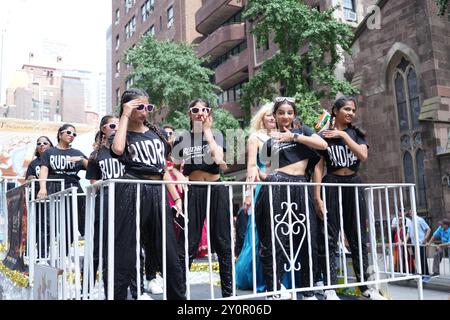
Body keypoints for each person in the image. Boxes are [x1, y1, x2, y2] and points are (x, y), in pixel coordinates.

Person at [110, 88, 185, 300]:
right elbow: (117, 150)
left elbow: (163, 169)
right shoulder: (124, 133)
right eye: (139, 107)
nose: (145, 111)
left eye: (148, 107)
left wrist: (177, 198)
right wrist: (124, 115)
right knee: (127, 249)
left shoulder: (156, 133)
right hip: (132, 189)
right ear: (128, 107)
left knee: (169, 250)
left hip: (157, 192)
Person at [313, 96, 386, 300]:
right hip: (331, 183)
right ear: (335, 111)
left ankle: (366, 288)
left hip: (353, 184)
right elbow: (318, 168)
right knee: (329, 237)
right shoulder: (323, 135)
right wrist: (317, 197)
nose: (351, 113)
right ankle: (330, 288)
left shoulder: (356, 133)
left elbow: (362, 155)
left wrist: (343, 136)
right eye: (346, 109)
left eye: (353, 110)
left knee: (357, 237)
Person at [256, 97, 327, 300]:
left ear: (293, 115)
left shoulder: (302, 131)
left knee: (307, 238)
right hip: (276, 185)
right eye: (281, 113)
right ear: (275, 116)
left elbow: (322, 145)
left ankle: (308, 290)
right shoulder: (270, 142)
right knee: (275, 238)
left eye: (289, 113)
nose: (285, 116)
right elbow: (268, 171)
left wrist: (294, 138)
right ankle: (274, 289)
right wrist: (255, 174)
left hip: (300, 185)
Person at [172, 98, 232, 298]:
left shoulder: (216, 135)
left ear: (209, 113)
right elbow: (172, 165)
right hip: (194, 190)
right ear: (189, 113)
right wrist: (180, 175)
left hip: (216, 189)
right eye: (195, 109)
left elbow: (221, 163)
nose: (200, 112)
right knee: (188, 243)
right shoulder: (182, 138)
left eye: (204, 109)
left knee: (223, 243)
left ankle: (228, 295)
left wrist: (207, 131)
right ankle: (180, 294)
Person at [236, 102, 276, 293]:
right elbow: (251, 167)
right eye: (268, 115)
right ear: (262, 117)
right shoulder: (255, 137)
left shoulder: (283, 136)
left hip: (282, 185)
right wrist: (248, 194)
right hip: (262, 186)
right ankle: (255, 276)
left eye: (274, 115)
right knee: (259, 232)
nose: (272, 118)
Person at [85, 115, 123, 298]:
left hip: (127, 200)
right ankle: (87, 290)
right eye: (113, 125)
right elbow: (93, 182)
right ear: (103, 129)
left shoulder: (127, 149)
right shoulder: (96, 155)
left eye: (119, 124)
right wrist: (107, 181)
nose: (116, 128)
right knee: (99, 247)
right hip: (105, 200)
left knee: (126, 247)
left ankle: (125, 289)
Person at [37, 124, 88, 238]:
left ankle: (65, 251)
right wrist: (43, 187)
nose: (71, 135)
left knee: (76, 219)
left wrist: (81, 159)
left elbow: (92, 169)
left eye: (74, 134)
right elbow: (44, 170)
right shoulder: (49, 152)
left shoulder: (77, 152)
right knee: (51, 221)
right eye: (68, 132)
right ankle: (47, 252)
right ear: (60, 134)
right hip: (54, 186)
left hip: (73, 186)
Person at [25, 136, 54, 259]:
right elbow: (27, 180)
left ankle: (46, 256)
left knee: (50, 227)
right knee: (37, 226)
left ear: (50, 145)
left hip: (53, 197)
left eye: (45, 143)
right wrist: (30, 179)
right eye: (39, 143)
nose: (41, 145)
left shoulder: (54, 159)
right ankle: (33, 256)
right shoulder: (34, 163)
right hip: (37, 199)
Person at [404, 209, 431, 275]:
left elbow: (428, 229)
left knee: (422, 259)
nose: (410, 213)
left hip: (420, 243)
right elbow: (408, 233)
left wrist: (424, 239)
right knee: (417, 259)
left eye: (411, 212)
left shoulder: (420, 220)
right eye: (410, 212)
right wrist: (404, 241)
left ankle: (426, 274)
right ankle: (420, 273)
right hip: (414, 244)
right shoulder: (410, 222)